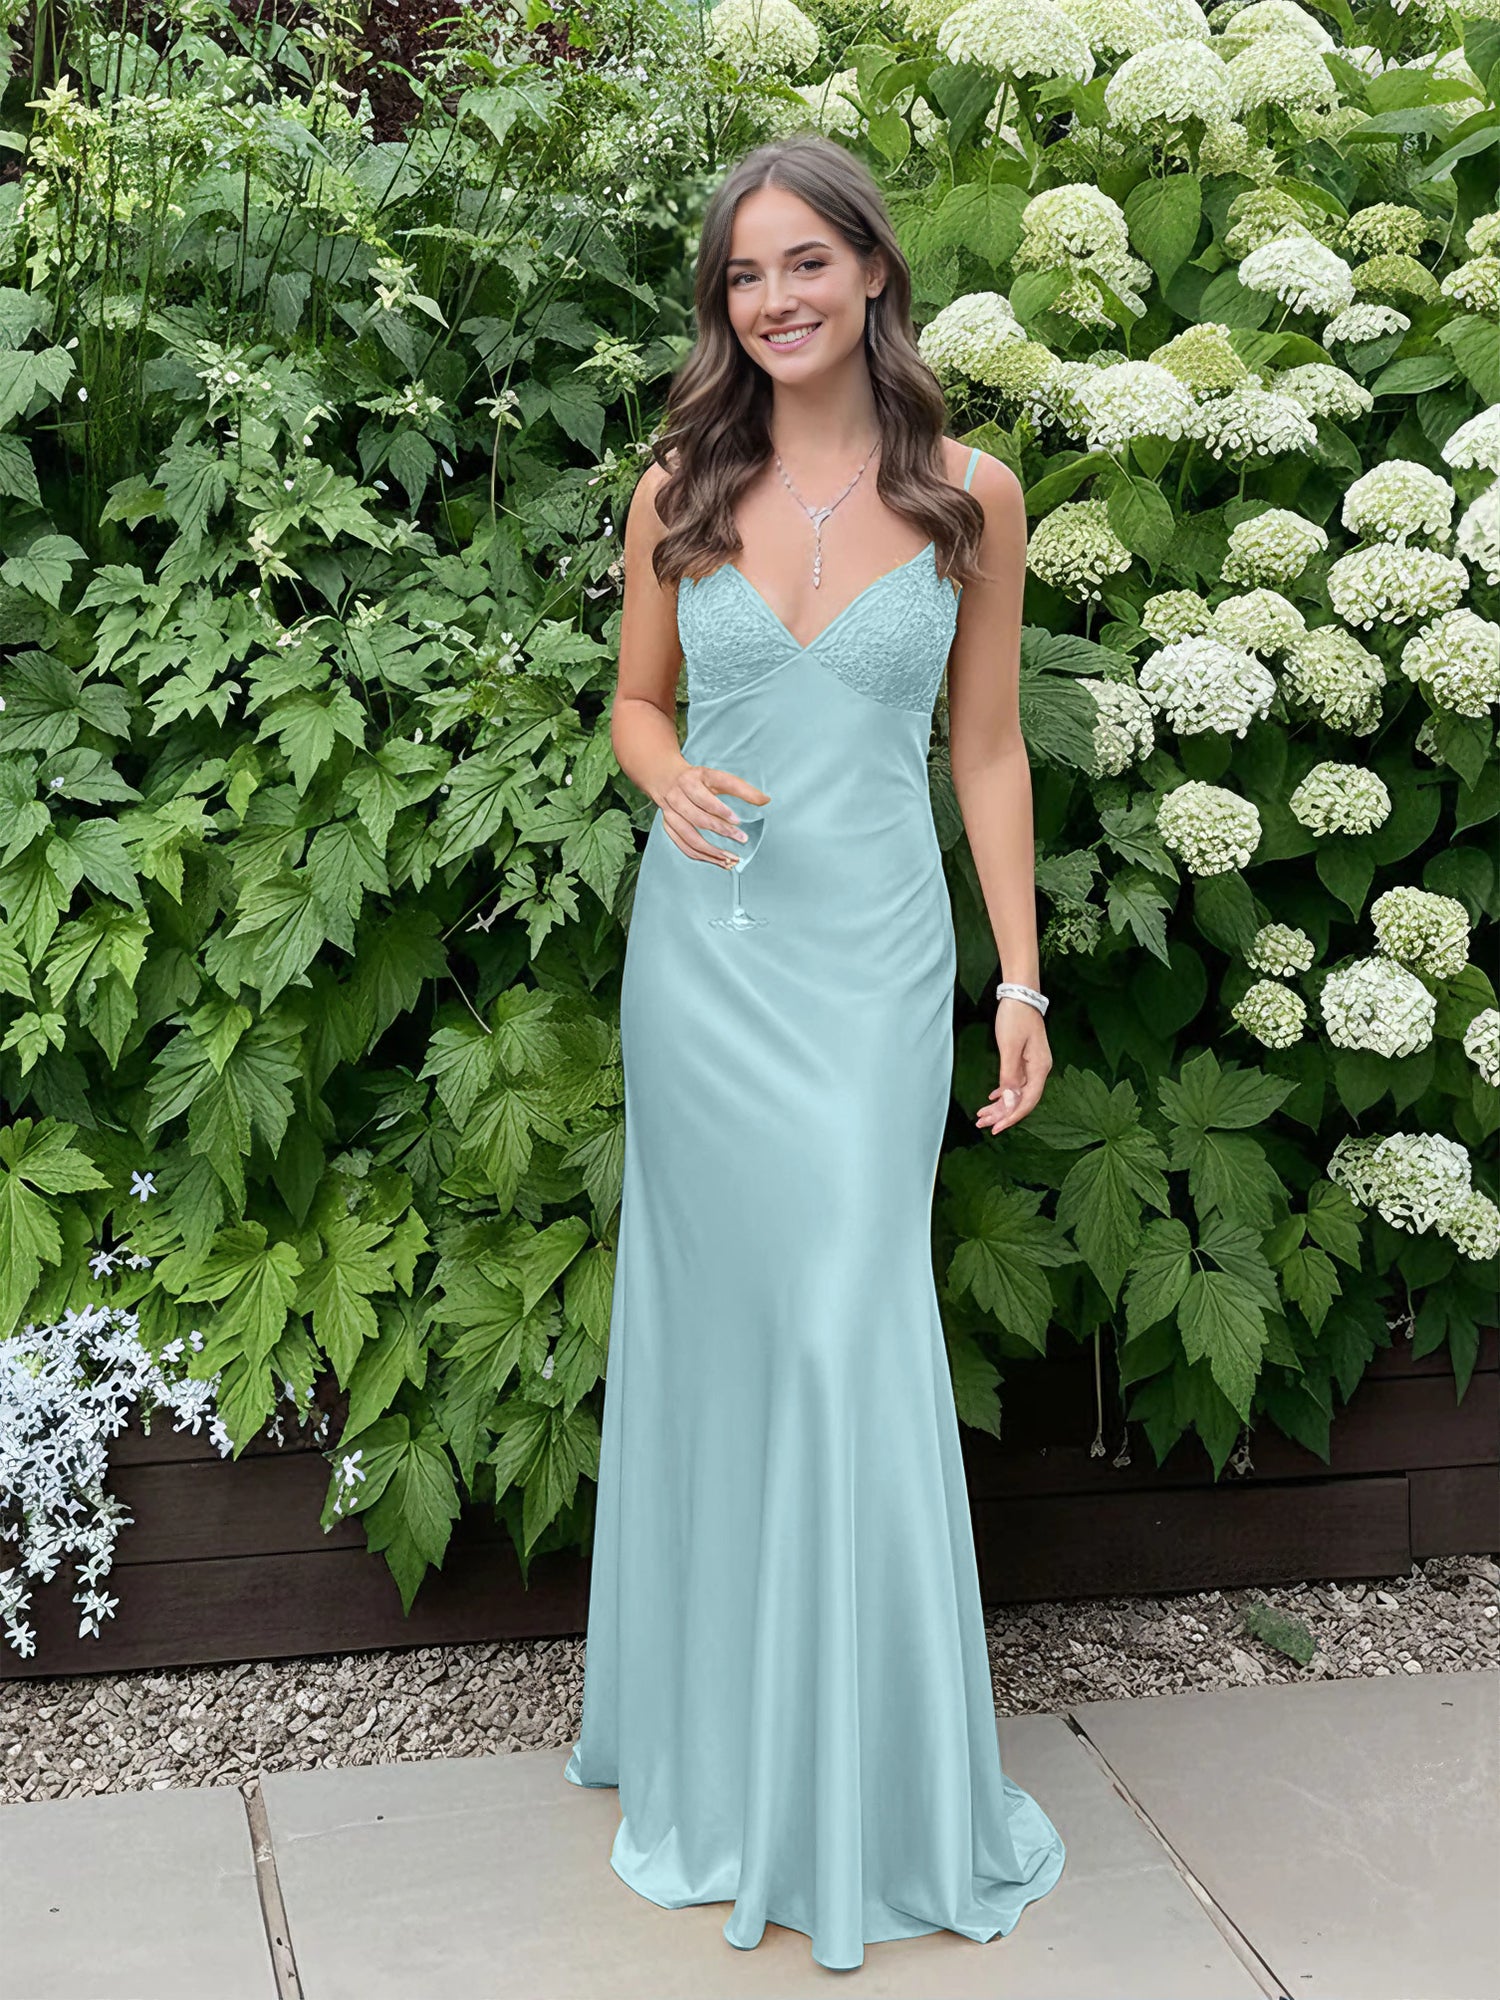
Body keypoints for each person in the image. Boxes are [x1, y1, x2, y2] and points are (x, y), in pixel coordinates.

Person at [563, 133, 1065, 1972]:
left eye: (804, 263)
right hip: (705, 967)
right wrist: (664, 773)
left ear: (871, 272)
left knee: (852, 1329)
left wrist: (1019, 984)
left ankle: (871, 1793)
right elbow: (637, 700)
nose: (773, 300)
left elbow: (986, 750)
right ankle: (725, 1750)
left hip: (870, 973)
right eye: (743, 275)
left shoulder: (972, 498)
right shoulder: (681, 483)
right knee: (730, 1346)